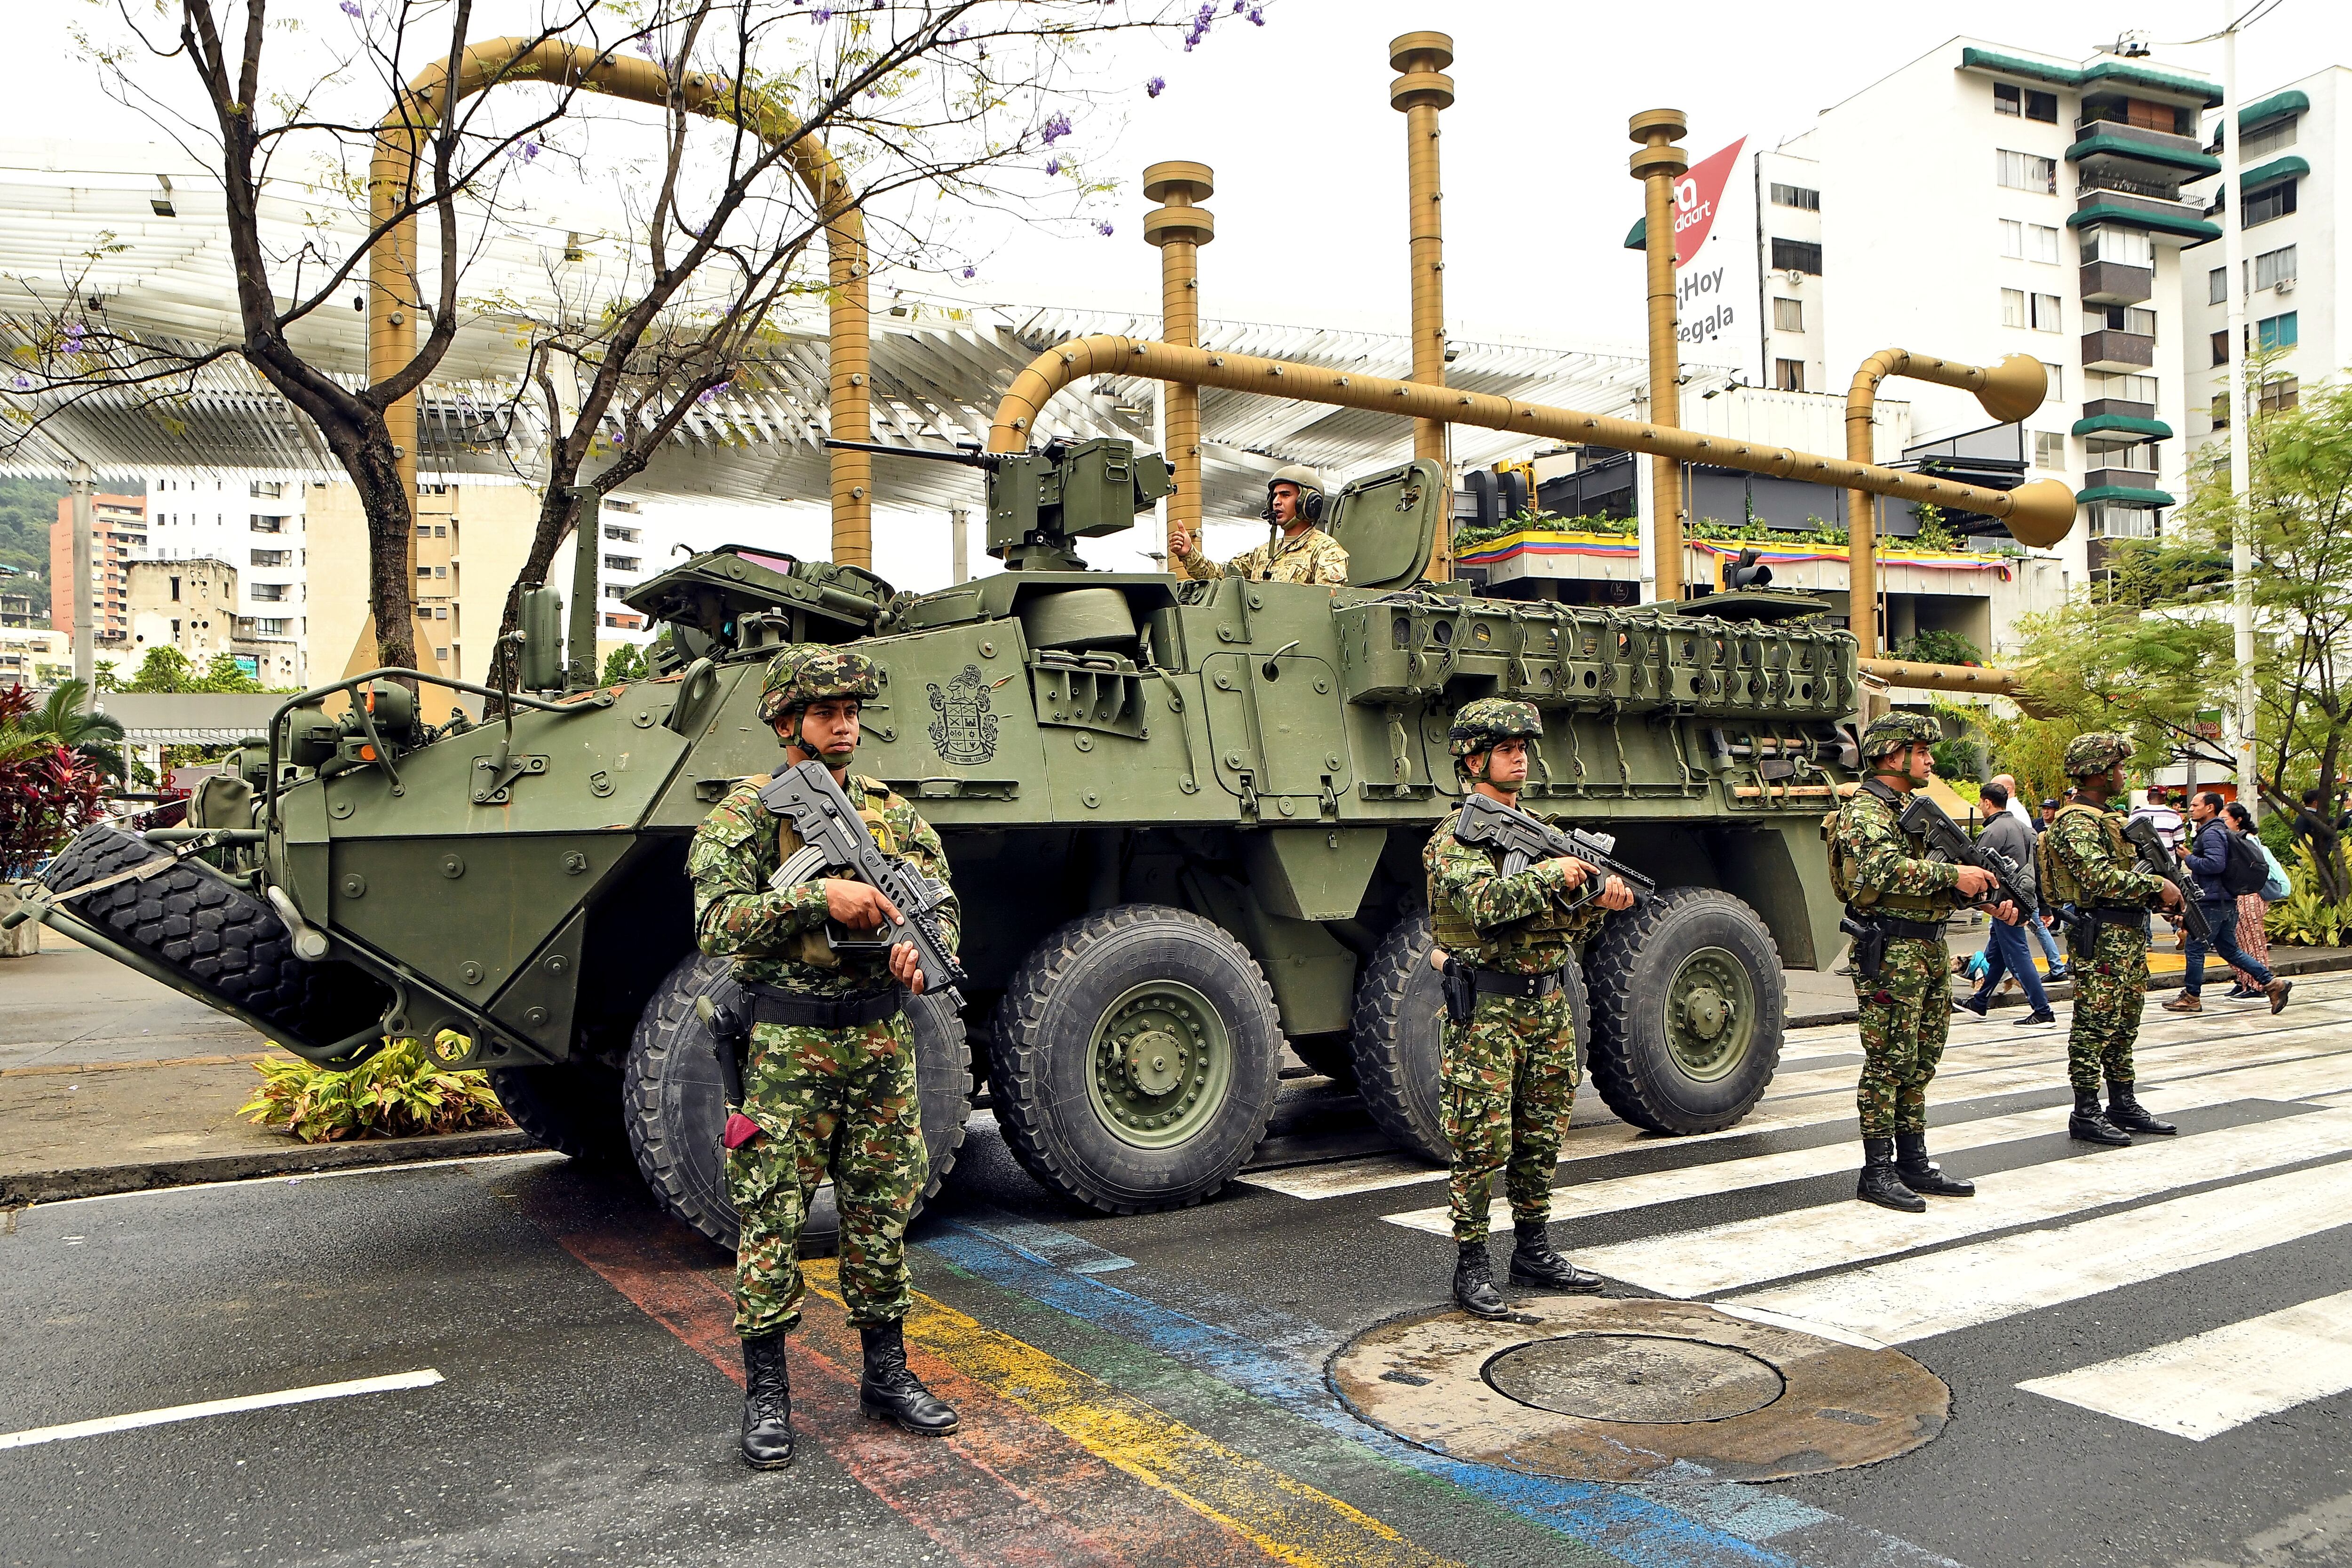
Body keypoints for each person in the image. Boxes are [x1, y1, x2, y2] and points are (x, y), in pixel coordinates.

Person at [688, 645, 962, 1469]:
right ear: (786, 722)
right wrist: (817, 896)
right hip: (786, 1044)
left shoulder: (894, 814)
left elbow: (942, 904)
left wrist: (925, 948)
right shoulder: (744, 814)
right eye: (825, 711)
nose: (844, 723)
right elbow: (713, 922)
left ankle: (886, 1372)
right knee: (773, 1215)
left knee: (881, 1211)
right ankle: (767, 1394)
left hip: (880, 1040)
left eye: (851, 710)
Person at [1424, 698, 1636, 1317]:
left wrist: (1599, 899)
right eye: (1507, 746)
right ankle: (1471, 1265)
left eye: (1524, 746)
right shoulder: (1455, 840)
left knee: (1540, 1137)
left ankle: (1534, 1251)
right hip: (1486, 1011)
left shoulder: (1542, 834)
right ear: (1473, 758)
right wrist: (1556, 876)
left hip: (1546, 1005)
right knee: (1482, 1142)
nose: (1520, 756)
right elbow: (1486, 907)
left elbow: (1566, 934)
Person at [1828, 713, 2018, 1212]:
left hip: (1928, 948)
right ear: (1893, 755)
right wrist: (1953, 873)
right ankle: (1876, 1170)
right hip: (1890, 951)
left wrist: (1980, 895)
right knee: (1888, 1061)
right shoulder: (1865, 810)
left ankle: (1912, 1161)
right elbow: (1880, 868)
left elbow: (1932, 884)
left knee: (1920, 1060)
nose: (1930, 759)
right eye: (1921, 751)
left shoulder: (1908, 809)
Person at [2037, 733, 2187, 1146]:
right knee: (2094, 1023)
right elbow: (2098, 878)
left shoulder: (2109, 818)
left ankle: (2122, 1101)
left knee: (2125, 1022)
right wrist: (2156, 884)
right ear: (2100, 772)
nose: (2123, 774)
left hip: (2126, 934)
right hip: (2100, 935)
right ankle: (2086, 1110)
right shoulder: (2076, 821)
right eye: (2118, 768)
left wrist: (2162, 896)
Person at [2169, 789, 2290, 1014]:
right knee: (2230, 950)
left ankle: (2191, 997)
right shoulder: (2218, 831)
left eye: (2196, 805)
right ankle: (2273, 984)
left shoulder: (2212, 833)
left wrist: (2190, 858)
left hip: (2213, 901)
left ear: (2210, 808)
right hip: (2226, 901)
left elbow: (2215, 865)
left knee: (2195, 948)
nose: (2191, 809)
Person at [1958, 782, 2055, 1025]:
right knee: (1998, 954)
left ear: (1987, 803)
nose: (1980, 807)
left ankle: (2043, 1010)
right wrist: (2043, 906)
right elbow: (2040, 870)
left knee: (2019, 956)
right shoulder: (2027, 829)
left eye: (1981, 803)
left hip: (2005, 904)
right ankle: (1980, 1001)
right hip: (2026, 899)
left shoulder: (1992, 831)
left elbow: (1975, 868)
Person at [1170, 465, 1350, 585]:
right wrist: (1189, 554)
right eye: (1275, 496)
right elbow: (1222, 577)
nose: (1276, 502)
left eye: (1285, 495)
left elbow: (1328, 604)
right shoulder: (1262, 554)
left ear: (1308, 503)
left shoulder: (1327, 551)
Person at [2224, 801, 2282, 1000]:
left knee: (2254, 939)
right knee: (2241, 939)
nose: (2222, 824)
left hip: (2252, 894)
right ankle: (2244, 982)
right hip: (2242, 893)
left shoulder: (2248, 840)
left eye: (2225, 819)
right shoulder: (2238, 838)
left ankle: (2258, 985)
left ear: (2238, 821)